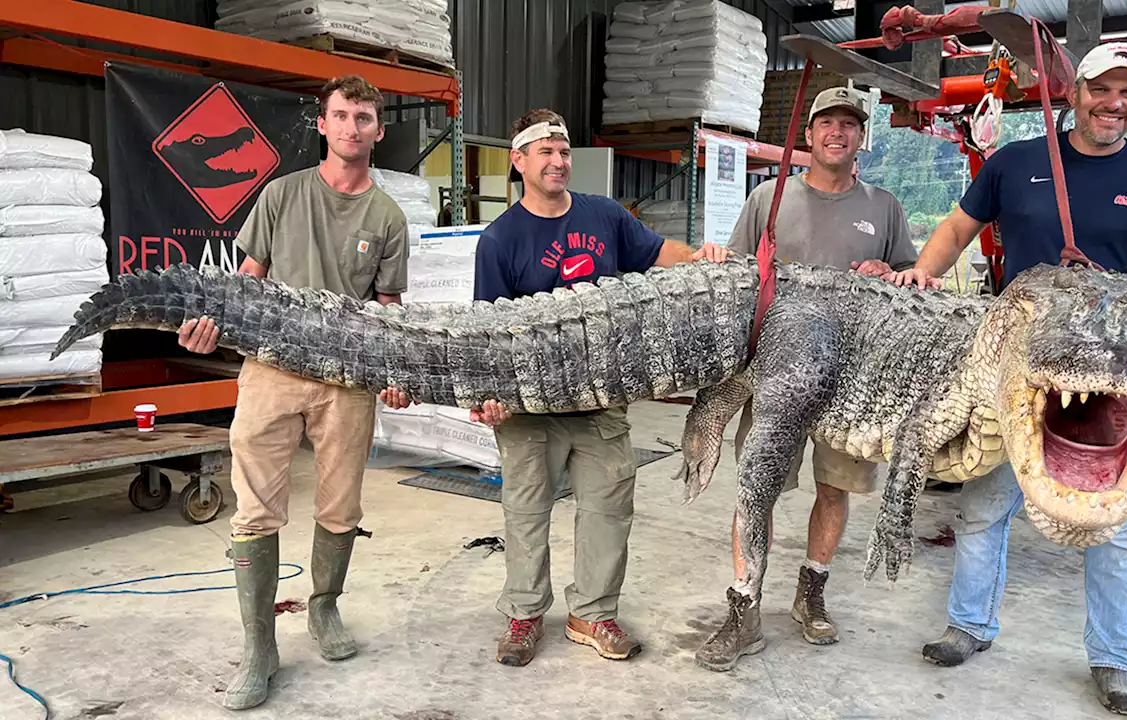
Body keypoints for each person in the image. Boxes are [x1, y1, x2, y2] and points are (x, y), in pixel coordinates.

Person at [886, 42, 1127, 716]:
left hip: (1109, 376)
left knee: (1113, 526)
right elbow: (958, 227)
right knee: (983, 503)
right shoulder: (1017, 163)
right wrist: (925, 272)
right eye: (1102, 90)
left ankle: (1115, 660)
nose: (1114, 105)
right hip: (1020, 369)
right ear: (1075, 91)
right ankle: (969, 625)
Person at [175, 75, 413, 710]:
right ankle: (259, 647)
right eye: (341, 115)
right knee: (254, 510)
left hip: (348, 383)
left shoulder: (387, 217)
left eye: (364, 117)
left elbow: (386, 309)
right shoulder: (280, 196)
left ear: (378, 129)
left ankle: (325, 608)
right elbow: (243, 287)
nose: (351, 127)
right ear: (323, 124)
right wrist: (210, 332)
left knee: (341, 508)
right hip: (271, 373)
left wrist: (394, 371)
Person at [470, 108, 730, 667]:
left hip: (601, 400)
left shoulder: (605, 215)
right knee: (525, 511)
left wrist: (701, 256)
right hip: (528, 408)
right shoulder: (499, 240)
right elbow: (487, 332)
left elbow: (661, 254)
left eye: (564, 152)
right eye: (546, 152)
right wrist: (485, 397)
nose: (559, 161)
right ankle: (524, 614)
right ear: (519, 161)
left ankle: (592, 614)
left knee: (609, 508)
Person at [694, 86, 920, 672]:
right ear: (810, 133)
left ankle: (811, 590)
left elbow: (910, 281)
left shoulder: (885, 206)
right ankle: (744, 605)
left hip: (853, 382)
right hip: (776, 378)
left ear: (860, 137)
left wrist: (889, 272)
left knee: (835, 488)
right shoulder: (769, 199)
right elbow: (739, 280)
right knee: (756, 487)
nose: (837, 133)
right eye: (827, 123)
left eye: (849, 124)